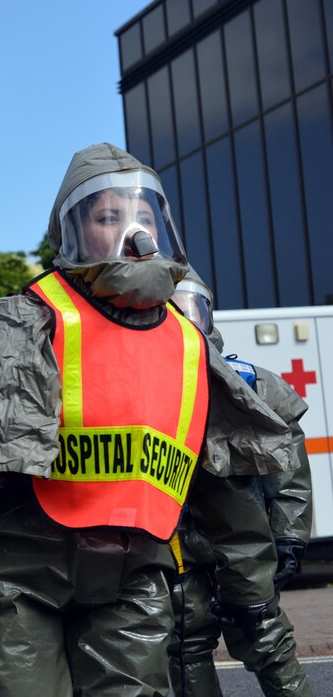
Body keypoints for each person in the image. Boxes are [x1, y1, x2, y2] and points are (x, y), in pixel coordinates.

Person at [0, 142, 297, 696]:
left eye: (142, 215)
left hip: (135, 575)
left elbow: (223, 483)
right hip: (19, 575)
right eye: (108, 215)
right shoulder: (20, 323)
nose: (131, 230)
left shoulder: (188, 344)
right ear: (75, 229)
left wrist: (250, 589)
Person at [168, 270, 313, 696]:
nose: (184, 318)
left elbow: (288, 468)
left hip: (241, 544)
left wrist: (290, 536)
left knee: (265, 636)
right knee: (185, 645)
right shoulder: (143, 385)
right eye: (172, 308)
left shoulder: (249, 383)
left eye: (191, 306)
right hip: (174, 543)